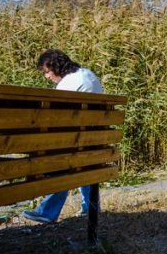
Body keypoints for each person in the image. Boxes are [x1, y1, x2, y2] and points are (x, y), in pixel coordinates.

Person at [21, 49, 105, 224]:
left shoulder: (68, 83)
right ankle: (91, 207)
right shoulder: (87, 74)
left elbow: (53, 117)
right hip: (94, 140)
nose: (47, 76)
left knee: (59, 160)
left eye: (47, 71)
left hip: (76, 141)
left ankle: (47, 212)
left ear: (56, 66)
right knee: (83, 163)